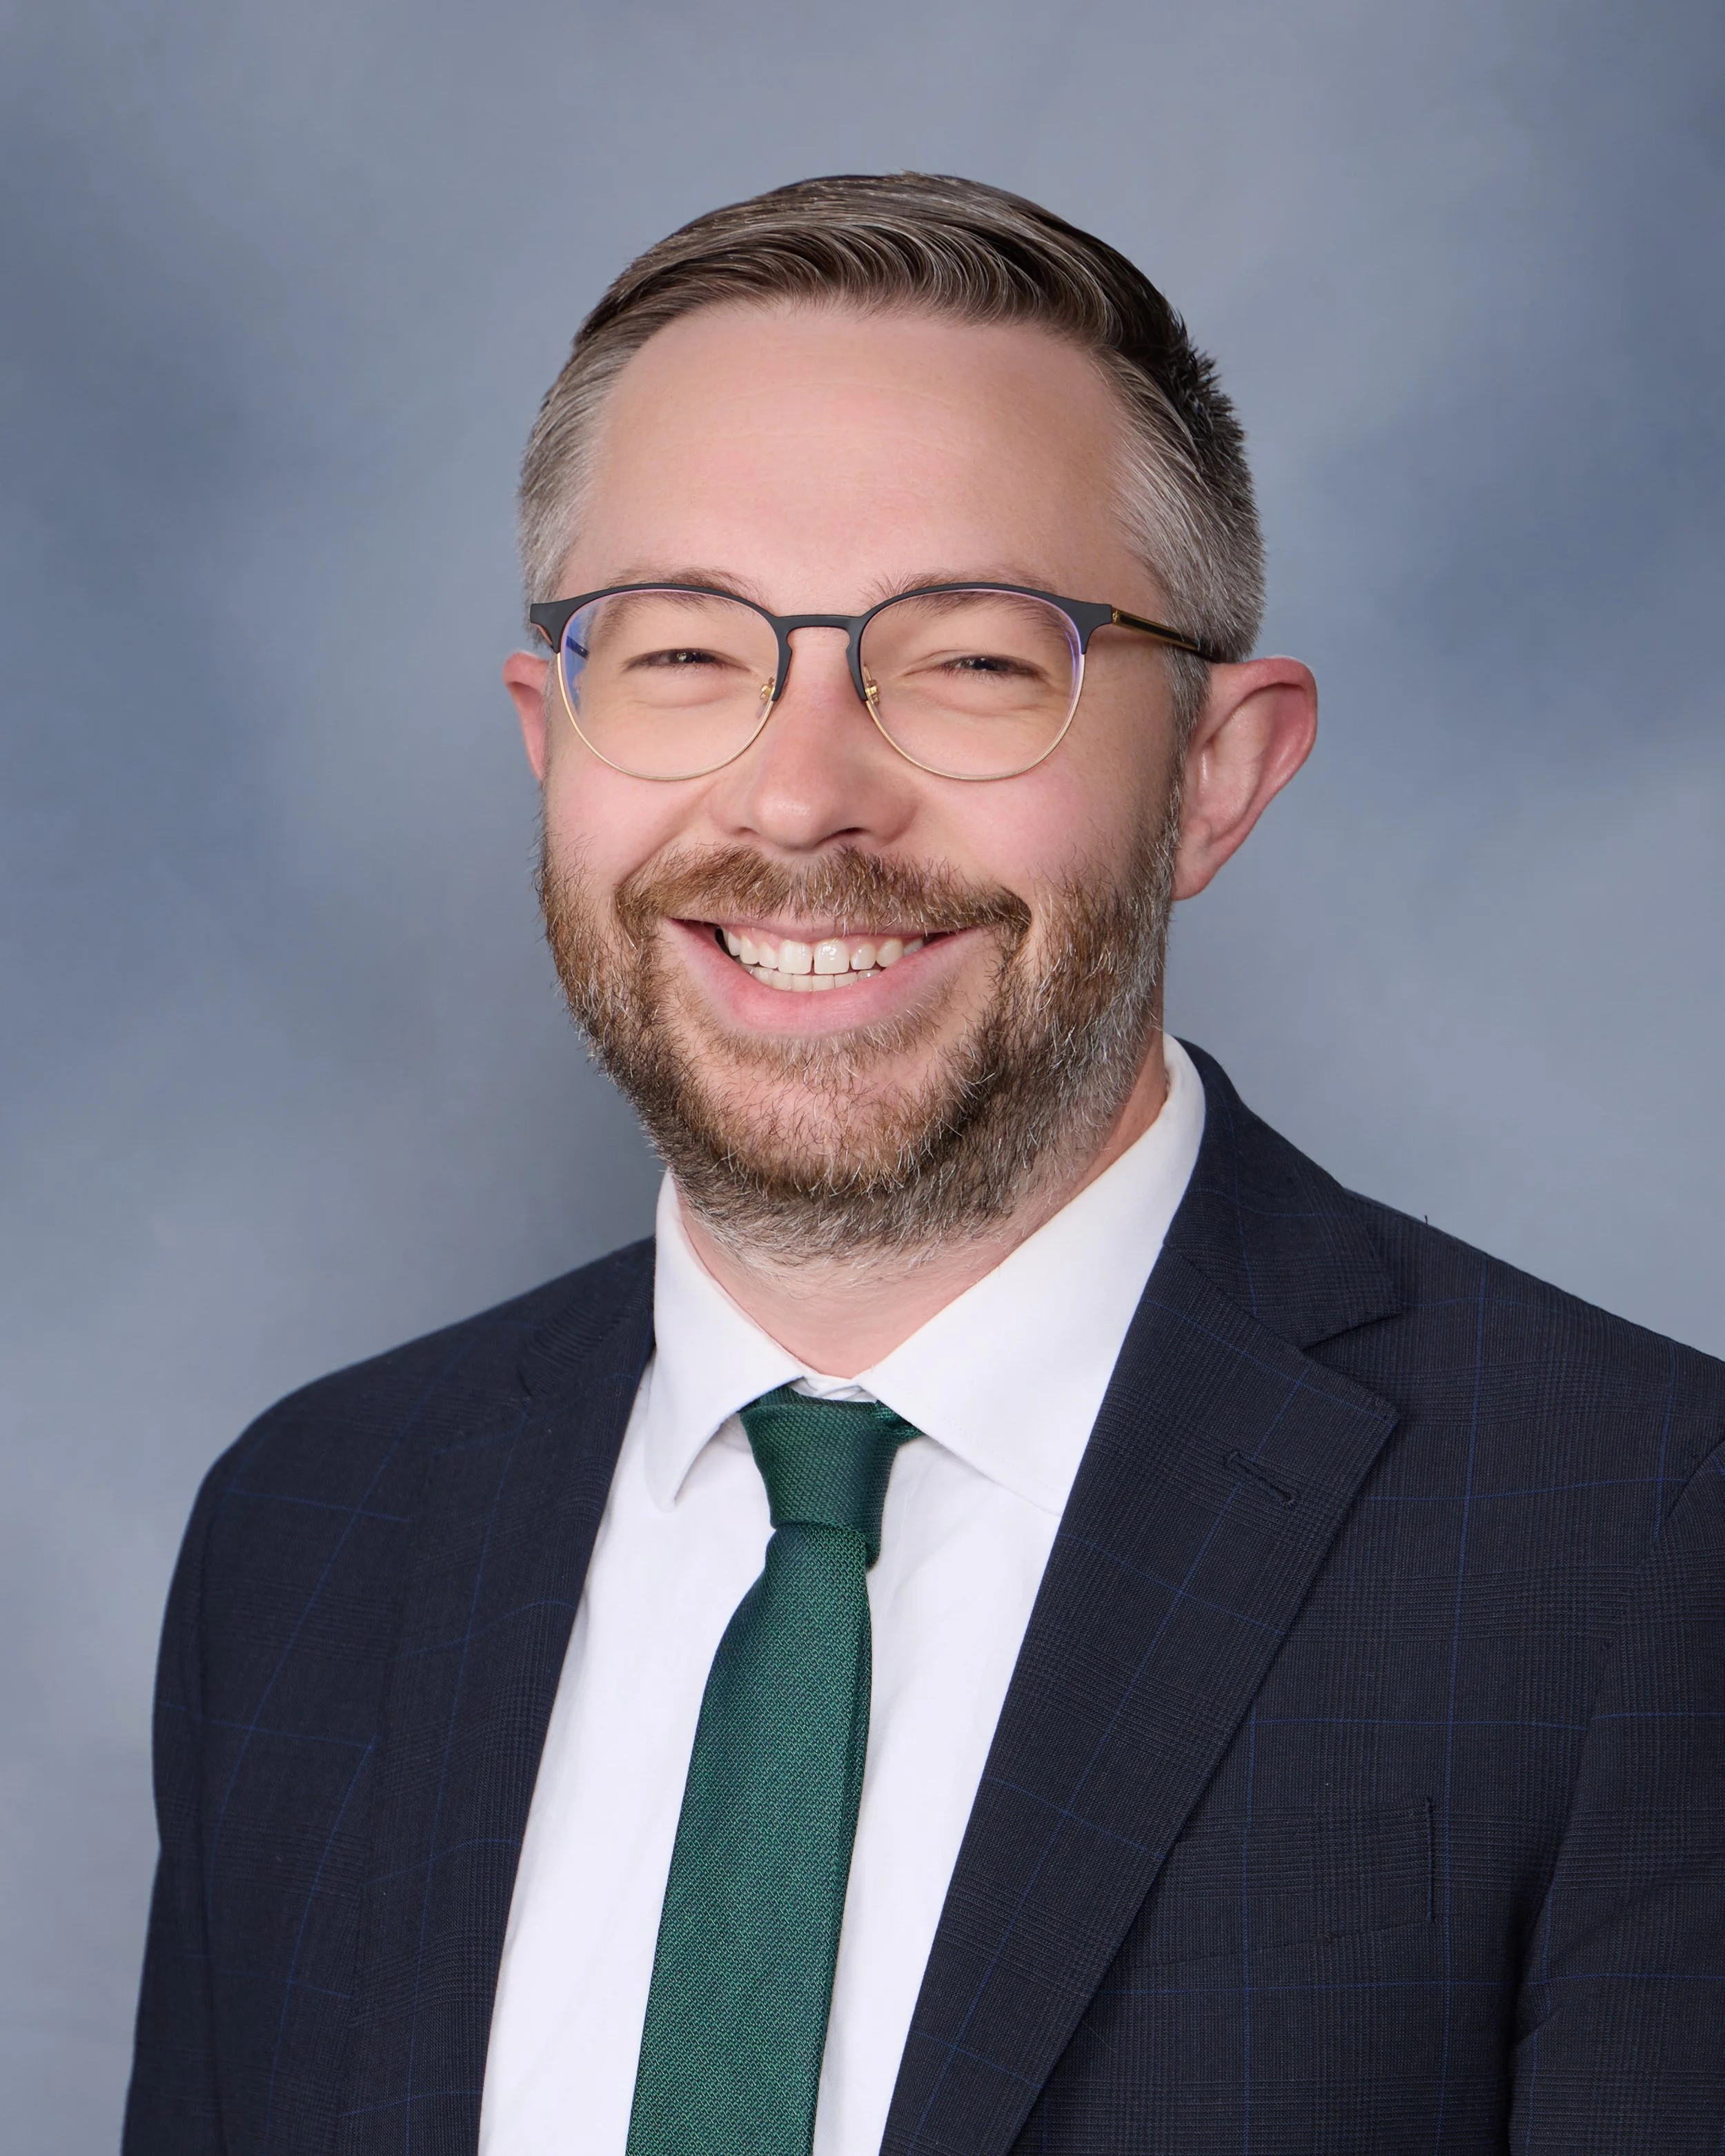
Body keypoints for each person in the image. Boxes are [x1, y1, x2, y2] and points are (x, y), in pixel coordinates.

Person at [122, 173, 1725, 2156]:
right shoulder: (311, 1532)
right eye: (685, 655)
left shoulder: (1644, 1552)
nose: (802, 794)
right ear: (550, 738)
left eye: (970, 660)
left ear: (1216, 771)